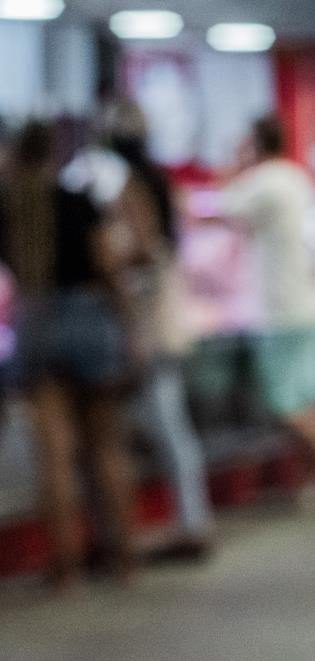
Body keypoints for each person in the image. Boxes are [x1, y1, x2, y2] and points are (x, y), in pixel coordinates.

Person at [0, 121, 141, 588]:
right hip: (88, 318)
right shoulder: (77, 201)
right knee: (104, 446)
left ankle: (66, 566)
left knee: (54, 456)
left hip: (35, 321)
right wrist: (128, 326)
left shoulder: (10, 208)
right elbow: (106, 265)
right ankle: (123, 555)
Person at [224, 115, 315, 501]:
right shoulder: (297, 178)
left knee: (287, 402)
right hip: (313, 304)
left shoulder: (260, 184)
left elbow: (220, 212)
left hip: (280, 310)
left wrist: (236, 168)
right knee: (314, 400)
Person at [106, 99, 214, 559]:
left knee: (166, 422)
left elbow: (146, 248)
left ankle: (190, 521)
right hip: (165, 311)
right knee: (162, 421)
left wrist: (112, 259)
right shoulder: (160, 181)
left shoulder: (135, 185)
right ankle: (183, 520)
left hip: (153, 317)